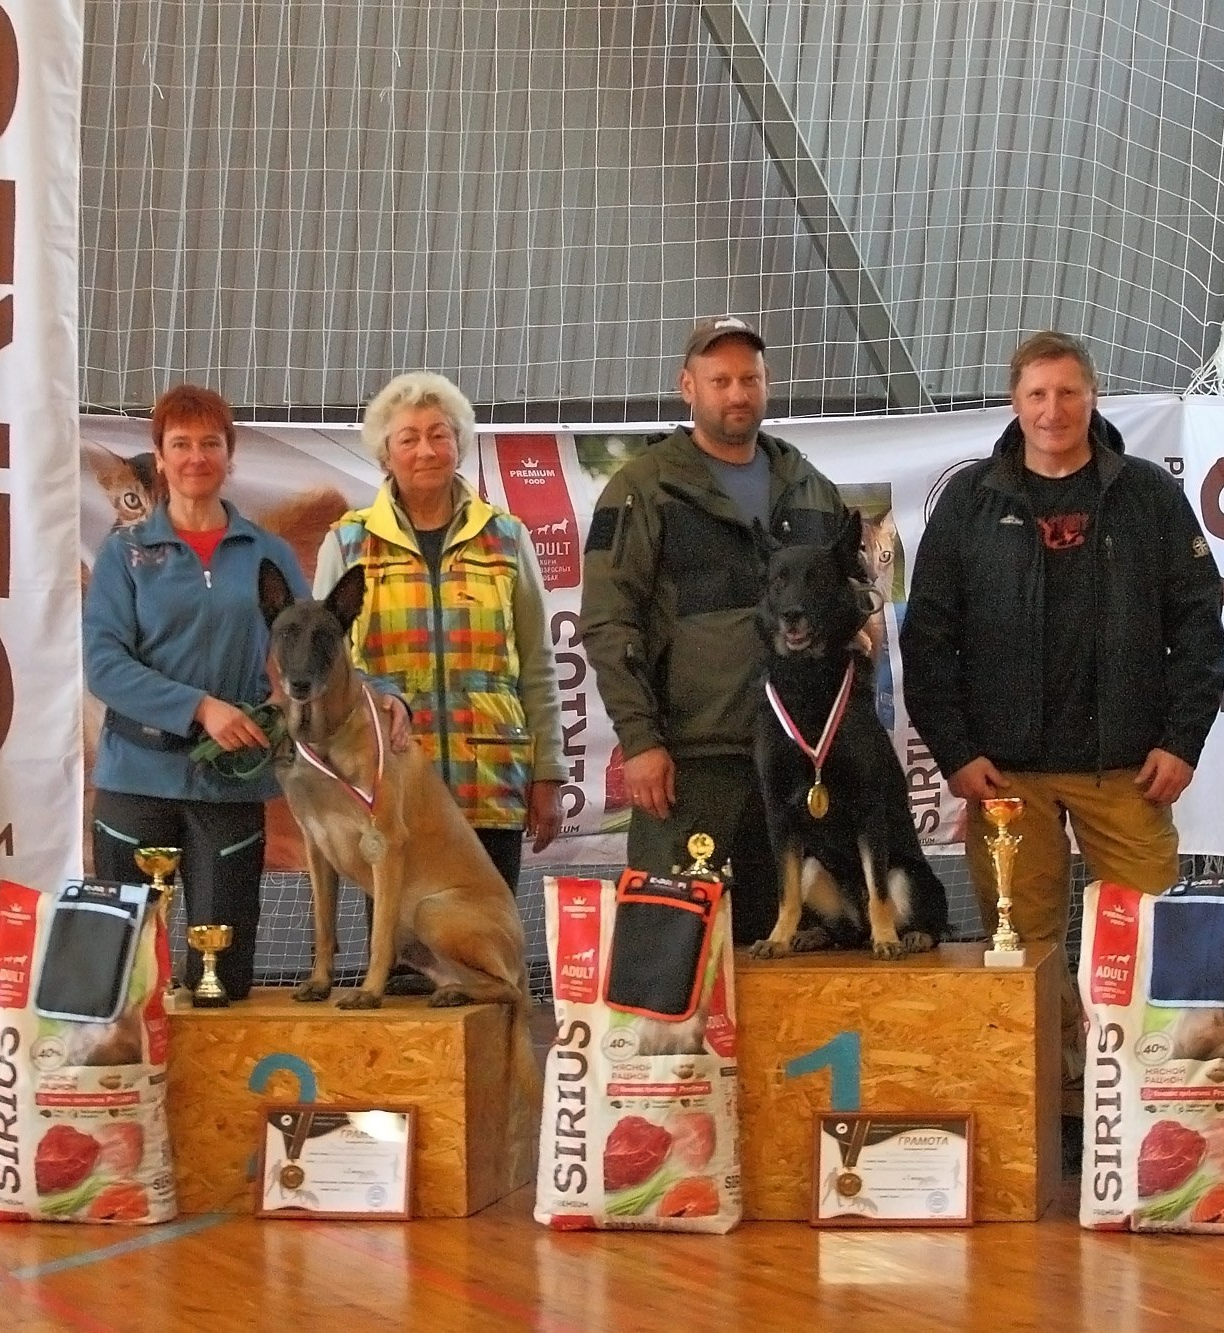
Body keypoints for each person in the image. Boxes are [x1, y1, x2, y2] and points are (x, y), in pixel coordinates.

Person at [900, 331, 1224, 1077]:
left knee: (1149, 939)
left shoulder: (1148, 495)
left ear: (1093, 396)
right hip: (1007, 779)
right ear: (1015, 403)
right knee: (1022, 953)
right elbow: (928, 640)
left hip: (1128, 772)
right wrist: (956, 753)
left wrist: (1182, 740)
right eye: (1038, 394)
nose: (1054, 410)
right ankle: (1048, 1100)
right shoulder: (969, 501)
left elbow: (1199, 627)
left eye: (1068, 392)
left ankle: (1144, 1093)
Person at [581, 316, 847, 944]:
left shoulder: (811, 487)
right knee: (667, 948)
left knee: (800, 957)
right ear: (688, 387)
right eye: (720, 380)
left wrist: (860, 622)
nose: (737, 394)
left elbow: (853, 591)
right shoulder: (643, 488)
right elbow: (609, 621)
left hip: (800, 758)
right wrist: (640, 742)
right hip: (690, 758)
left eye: (749, 380)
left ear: (767, 385)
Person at [84, 383, 307, 1002]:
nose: (196, 457)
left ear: (230, 456)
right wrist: (200, 709)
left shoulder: (268, 553)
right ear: (159, 458)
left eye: (211, 443)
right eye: (180, 444)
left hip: (230, 786)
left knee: (223, 981)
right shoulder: (124, 555)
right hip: (136, 781)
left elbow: (312, 643)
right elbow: (103, 665)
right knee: (123, 980)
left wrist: (373, 696)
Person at [312, 371, 568, 894]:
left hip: (491, 783)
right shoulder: (348, 543)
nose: (426, 450)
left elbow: (537, 665)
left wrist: (547, 772)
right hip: (390, 788)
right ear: (386, 455)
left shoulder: (506, 537)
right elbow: (325, 671)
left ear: (459, 445)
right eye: (408, 439)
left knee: (487, 937)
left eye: (439, 435)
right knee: (400, 941)